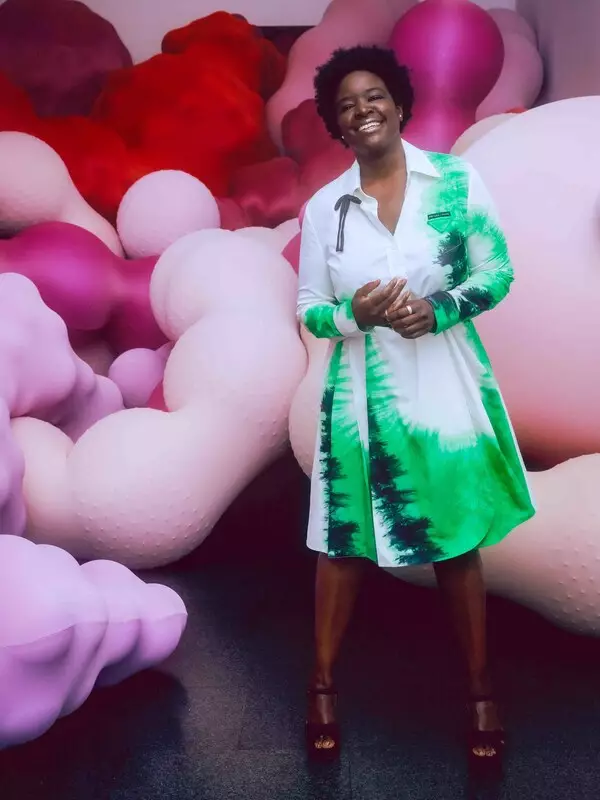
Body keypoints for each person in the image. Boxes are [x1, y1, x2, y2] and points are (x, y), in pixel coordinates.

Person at [296, 45, 535, 772]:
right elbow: (309, 309)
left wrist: (440, 309)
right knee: (342, 542)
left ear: (399, 104)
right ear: (336, 126)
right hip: (360, 395)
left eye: (373, 96)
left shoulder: (456, 181)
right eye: (345, 105)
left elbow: (498, 271)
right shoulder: (324, 209)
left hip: (441, 384)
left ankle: (481, 692)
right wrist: (354, 314)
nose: (361, 110)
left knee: (454, 539)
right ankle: (322, 687)